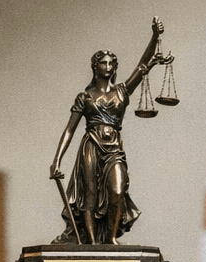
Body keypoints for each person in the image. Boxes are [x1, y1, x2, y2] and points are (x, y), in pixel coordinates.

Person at [49, 18, 173, 244]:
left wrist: (155, 37)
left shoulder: (122, 92)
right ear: (94, 67)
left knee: (117, 190)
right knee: (89, 193)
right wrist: (56, 160)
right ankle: (94, 242)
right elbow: (69, 130)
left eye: (111, 64)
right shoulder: (85, 97)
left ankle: (112, 238)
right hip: (91, 145)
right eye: (103, 63)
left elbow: (141, 65)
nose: (108, 67)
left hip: (114, 148)